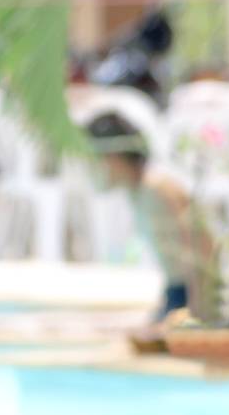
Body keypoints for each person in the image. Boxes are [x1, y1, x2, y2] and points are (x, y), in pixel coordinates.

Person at [85, 112, 202, 338]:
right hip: (175, 292)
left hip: (191, 294)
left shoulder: (157, 188)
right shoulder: (137, 190)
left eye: (94, 159)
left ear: (114, 156)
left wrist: (194, 315)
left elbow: (198, 250)